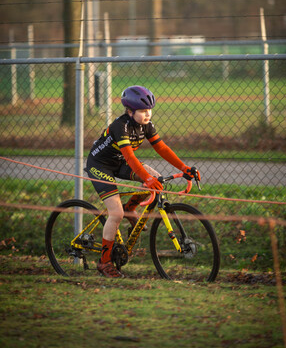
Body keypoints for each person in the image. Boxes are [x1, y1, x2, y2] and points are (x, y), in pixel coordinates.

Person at [86, 85, 200, 278]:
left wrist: (184, 168)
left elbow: (162, 148)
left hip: (120, 162)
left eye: (149, 110)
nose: (148, 114)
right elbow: (130, 157)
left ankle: (132, 207)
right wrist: (146, 178)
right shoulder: (119, 126)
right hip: (100, 165)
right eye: (143, 111)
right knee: (116, 213)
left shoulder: (146, 125)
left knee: (156, 181)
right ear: (130, 111)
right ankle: (104, 263)